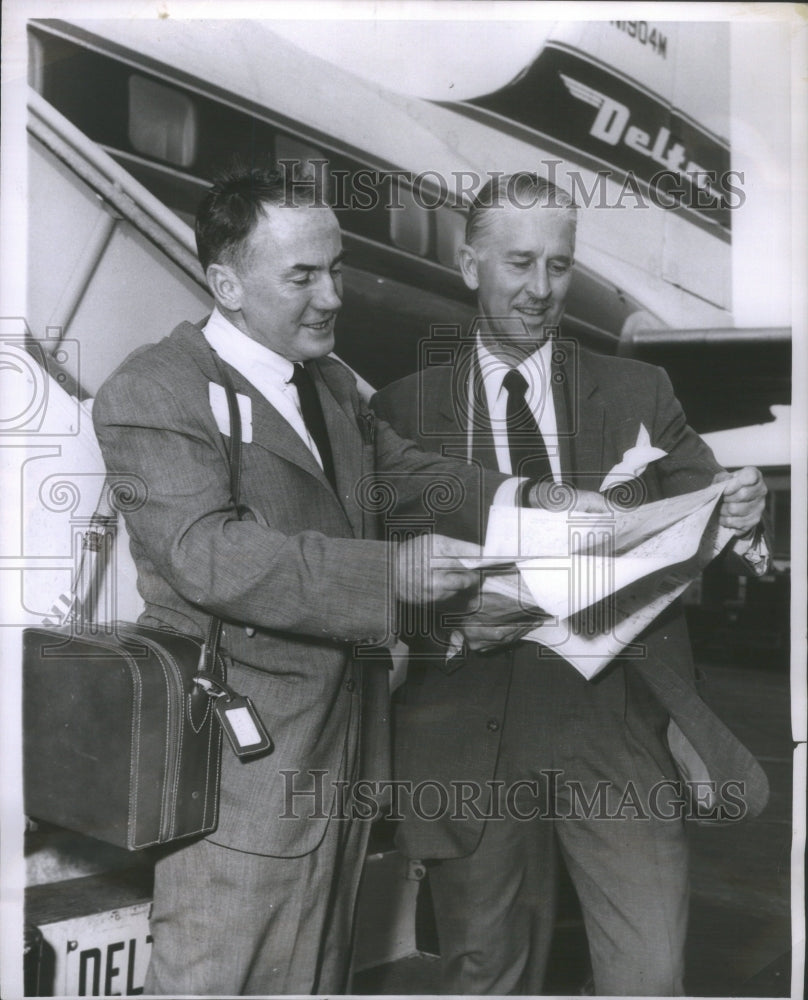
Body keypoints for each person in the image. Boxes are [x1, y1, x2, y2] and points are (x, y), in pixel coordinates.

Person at [91, 166, 524, 995]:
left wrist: (533, 500)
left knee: (317, 980)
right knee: (219, 976)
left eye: (335, 270)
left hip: (345, 758)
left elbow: (405, 476)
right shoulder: (153, 391)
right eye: (302, 276)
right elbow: (210, 552)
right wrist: (394, 574)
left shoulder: (325, 381)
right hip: (238, 775)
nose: (331, 296)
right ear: (228, 283)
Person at [371, 172, 770, 996]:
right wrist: (444, 624)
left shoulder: (638, 390)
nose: (541, 289)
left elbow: (711, 503)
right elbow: (377, 572)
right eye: (520, 263)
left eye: (560, 265)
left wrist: (746, 508)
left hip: (616, 714)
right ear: (469, 262)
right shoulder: (401, 410)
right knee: (486, 971)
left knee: (651, 970)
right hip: (469, 715)